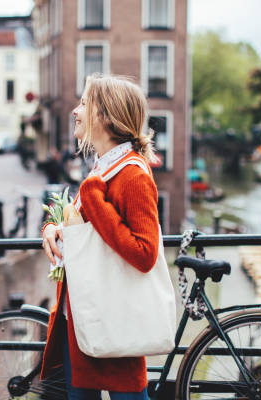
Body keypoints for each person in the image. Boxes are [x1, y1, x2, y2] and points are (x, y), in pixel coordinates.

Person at [41, 74, 160, 399]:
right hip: (80, 315)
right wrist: (53, 229)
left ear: (105, 115)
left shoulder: (132, 174)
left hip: (111, 317)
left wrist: (94, 198)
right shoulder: (102, 168)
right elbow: (85, 229)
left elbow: (145, 253)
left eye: (84, 103)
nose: (75, 111)